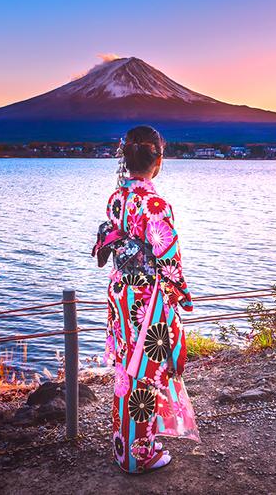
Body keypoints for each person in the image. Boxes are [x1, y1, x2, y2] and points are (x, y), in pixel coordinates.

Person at [92, 125, 199, 473]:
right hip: (147, 296)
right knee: (146, 373)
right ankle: (141, 455)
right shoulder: (154, 203)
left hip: (120, 290)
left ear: (125, 157)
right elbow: (168, 257)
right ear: (158, 160)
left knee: (126, 369)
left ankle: (123, 447)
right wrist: (181, 294)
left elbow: (108, 239)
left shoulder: (116, 198)